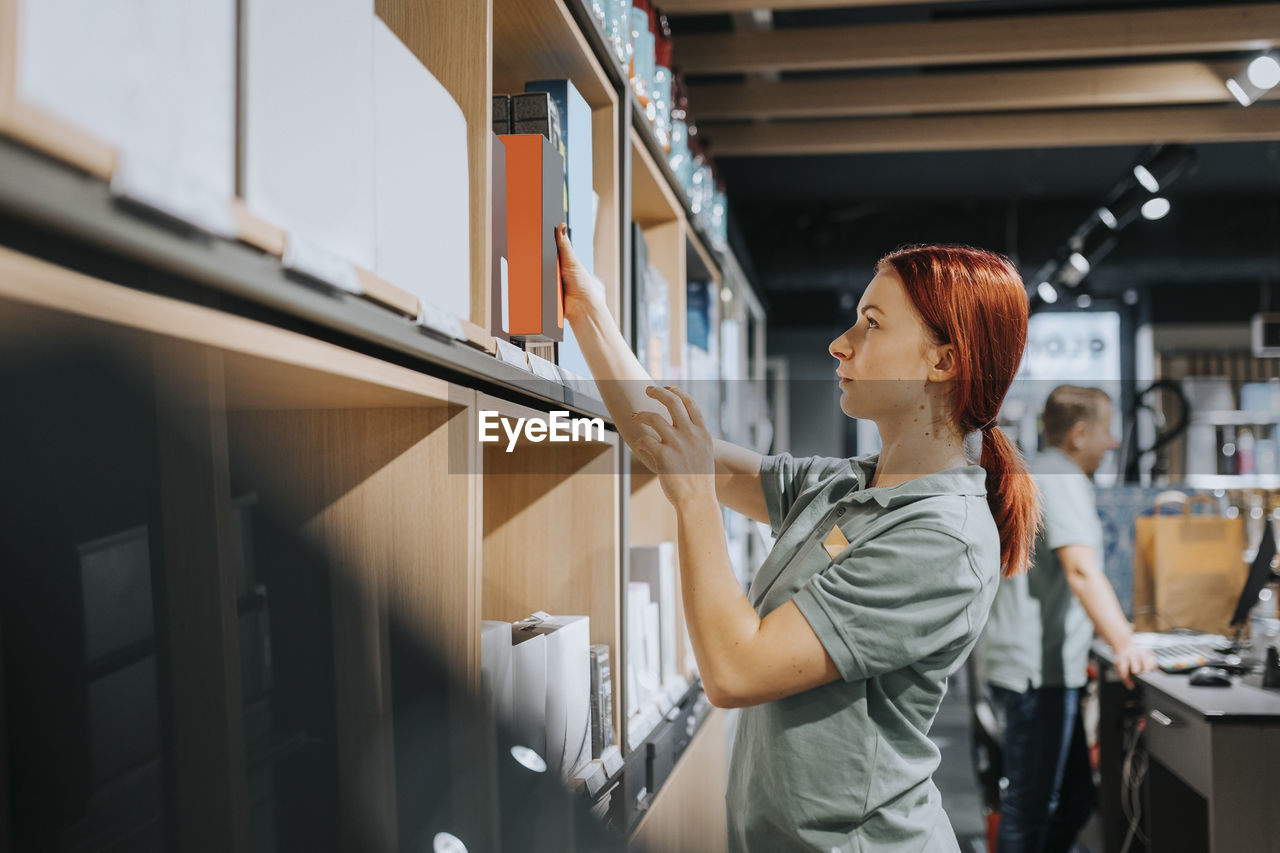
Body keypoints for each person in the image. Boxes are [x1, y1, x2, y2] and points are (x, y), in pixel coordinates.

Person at [556, 226, 1038, 852]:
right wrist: (588, 312)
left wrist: (694, 499)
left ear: (943, 361)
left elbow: (734, 670)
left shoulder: (943, 537)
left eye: (872, 324)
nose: (841, 344)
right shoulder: (849, 487)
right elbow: (666, 439)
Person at [979, 385, 1158, 853]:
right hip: (1037, 675)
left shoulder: (1041, 471)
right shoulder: (1062, 477)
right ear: (1079, 434)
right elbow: (1081, 568)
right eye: (1106, 430)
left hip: (1033, 667)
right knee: (1029, 808)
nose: (1113, 441)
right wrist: (1125, 643)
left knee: (1076, 800)